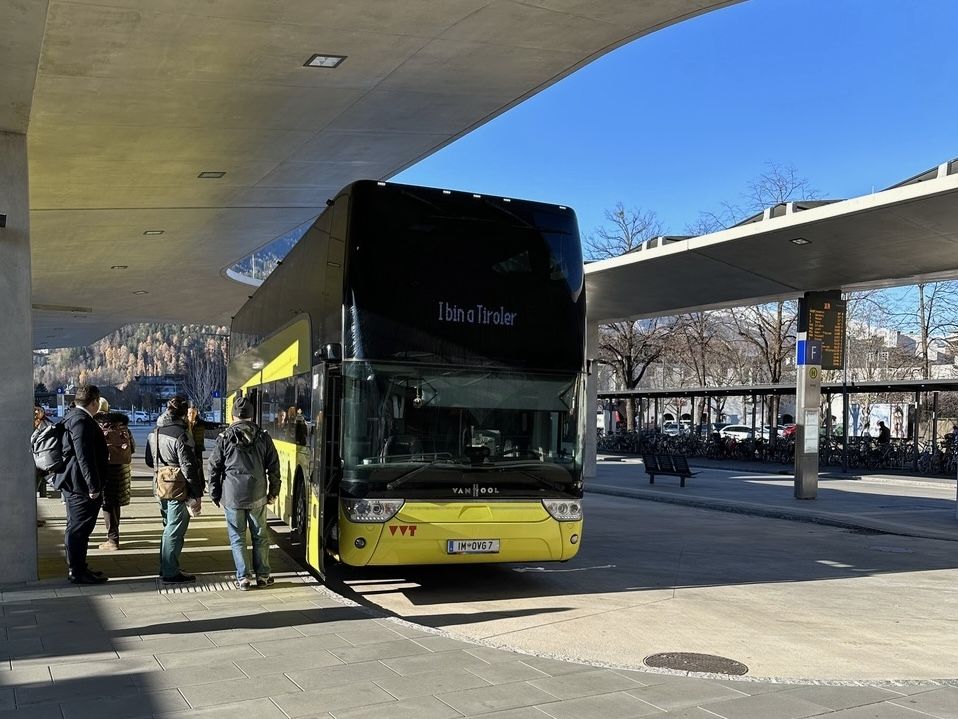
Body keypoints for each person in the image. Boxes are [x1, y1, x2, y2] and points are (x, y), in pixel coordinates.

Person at [208, 397, 281, 591]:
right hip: (257, 494)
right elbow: (274, 467)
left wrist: (214, 493)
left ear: (233, 416)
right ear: (252, 415)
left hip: (232, 495)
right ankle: (263, 576)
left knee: (237, 537)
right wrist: (273, 492)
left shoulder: (224, 438)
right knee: (260, 536)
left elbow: (214, 467)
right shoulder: (263, 436)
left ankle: (243, 578)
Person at [52, 385, 109, 584]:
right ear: (93, 401)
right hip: (79, 485)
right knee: (79, 529)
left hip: (75, 482)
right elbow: (84, 456)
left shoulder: (73, 416)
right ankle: (77, 571)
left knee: (77, 528)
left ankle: (79, 567)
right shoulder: (81, 421)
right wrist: (93, 486)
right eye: (98, 401)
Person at [146, 396, 202, 584]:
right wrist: (196, 493)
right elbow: (188, 466)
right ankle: (170, 571)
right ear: (183, 413)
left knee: (168, 527)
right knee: (175, 529)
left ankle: (166, 567)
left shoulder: (155, 432)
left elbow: (148, 460)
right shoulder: (181, 434)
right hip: (177, 487)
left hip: (159, 485)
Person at [93, 399, 134, 551]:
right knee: (115, 505)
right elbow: (133, 447)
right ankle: (114, 536)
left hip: (105, 470)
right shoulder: (122, 425)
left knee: (107, 505)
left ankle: (112, 540)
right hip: (122, 470)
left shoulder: (97, 426)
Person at [186, 406, 207, 484]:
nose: (191, 414)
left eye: (193, 413)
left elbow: (212, 426)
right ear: (187, 414)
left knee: (199, 467)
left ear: (196, 413)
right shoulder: (184, 423)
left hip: (198, 448)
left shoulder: (200, 423)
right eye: (190, 413)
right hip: (187, 449)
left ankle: (201, 484)